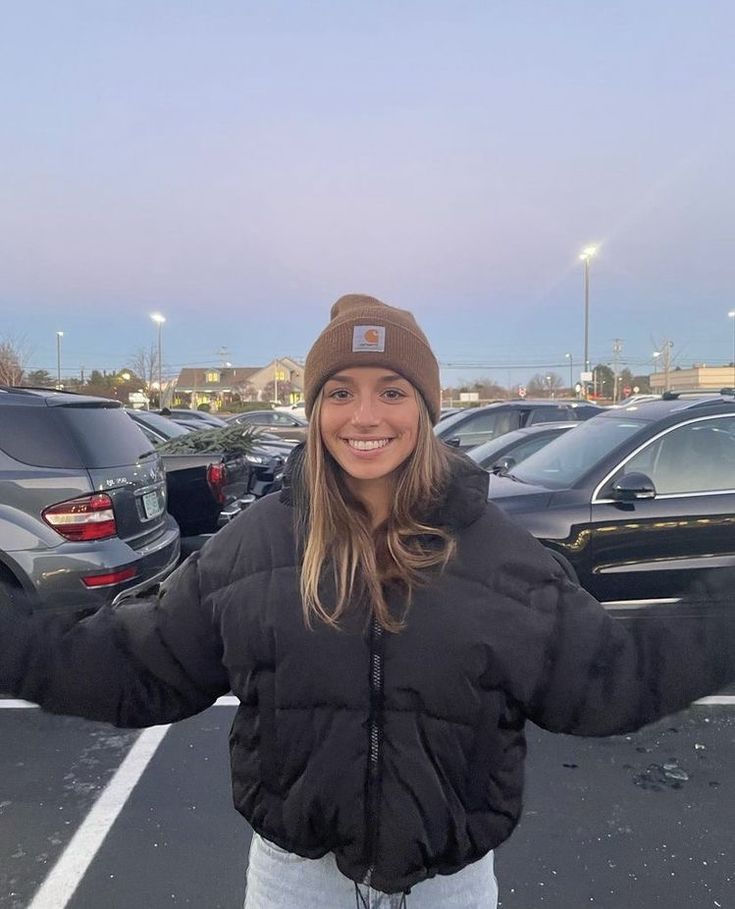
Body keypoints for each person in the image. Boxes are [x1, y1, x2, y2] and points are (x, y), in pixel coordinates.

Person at [1, 293, 734, 909]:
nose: (365, 415)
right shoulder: (257, 544)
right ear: (316, 407)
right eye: (340, 391)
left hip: (448, 887)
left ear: (424, 406)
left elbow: (610, 676)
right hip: (296, 884)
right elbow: (132, 665)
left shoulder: (495, 551)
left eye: (391, 390)